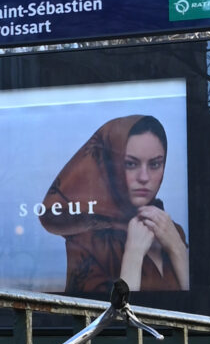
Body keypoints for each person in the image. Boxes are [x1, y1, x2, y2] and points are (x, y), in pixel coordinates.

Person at [39, 111, 188, 298]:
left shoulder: (171, 231)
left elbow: (199, 308)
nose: (144, 177)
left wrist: (177, 248)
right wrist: (133, 255)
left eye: (155, 164)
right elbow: (90, 313)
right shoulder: (88, 241)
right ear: (112, 166)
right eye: (131, 164)